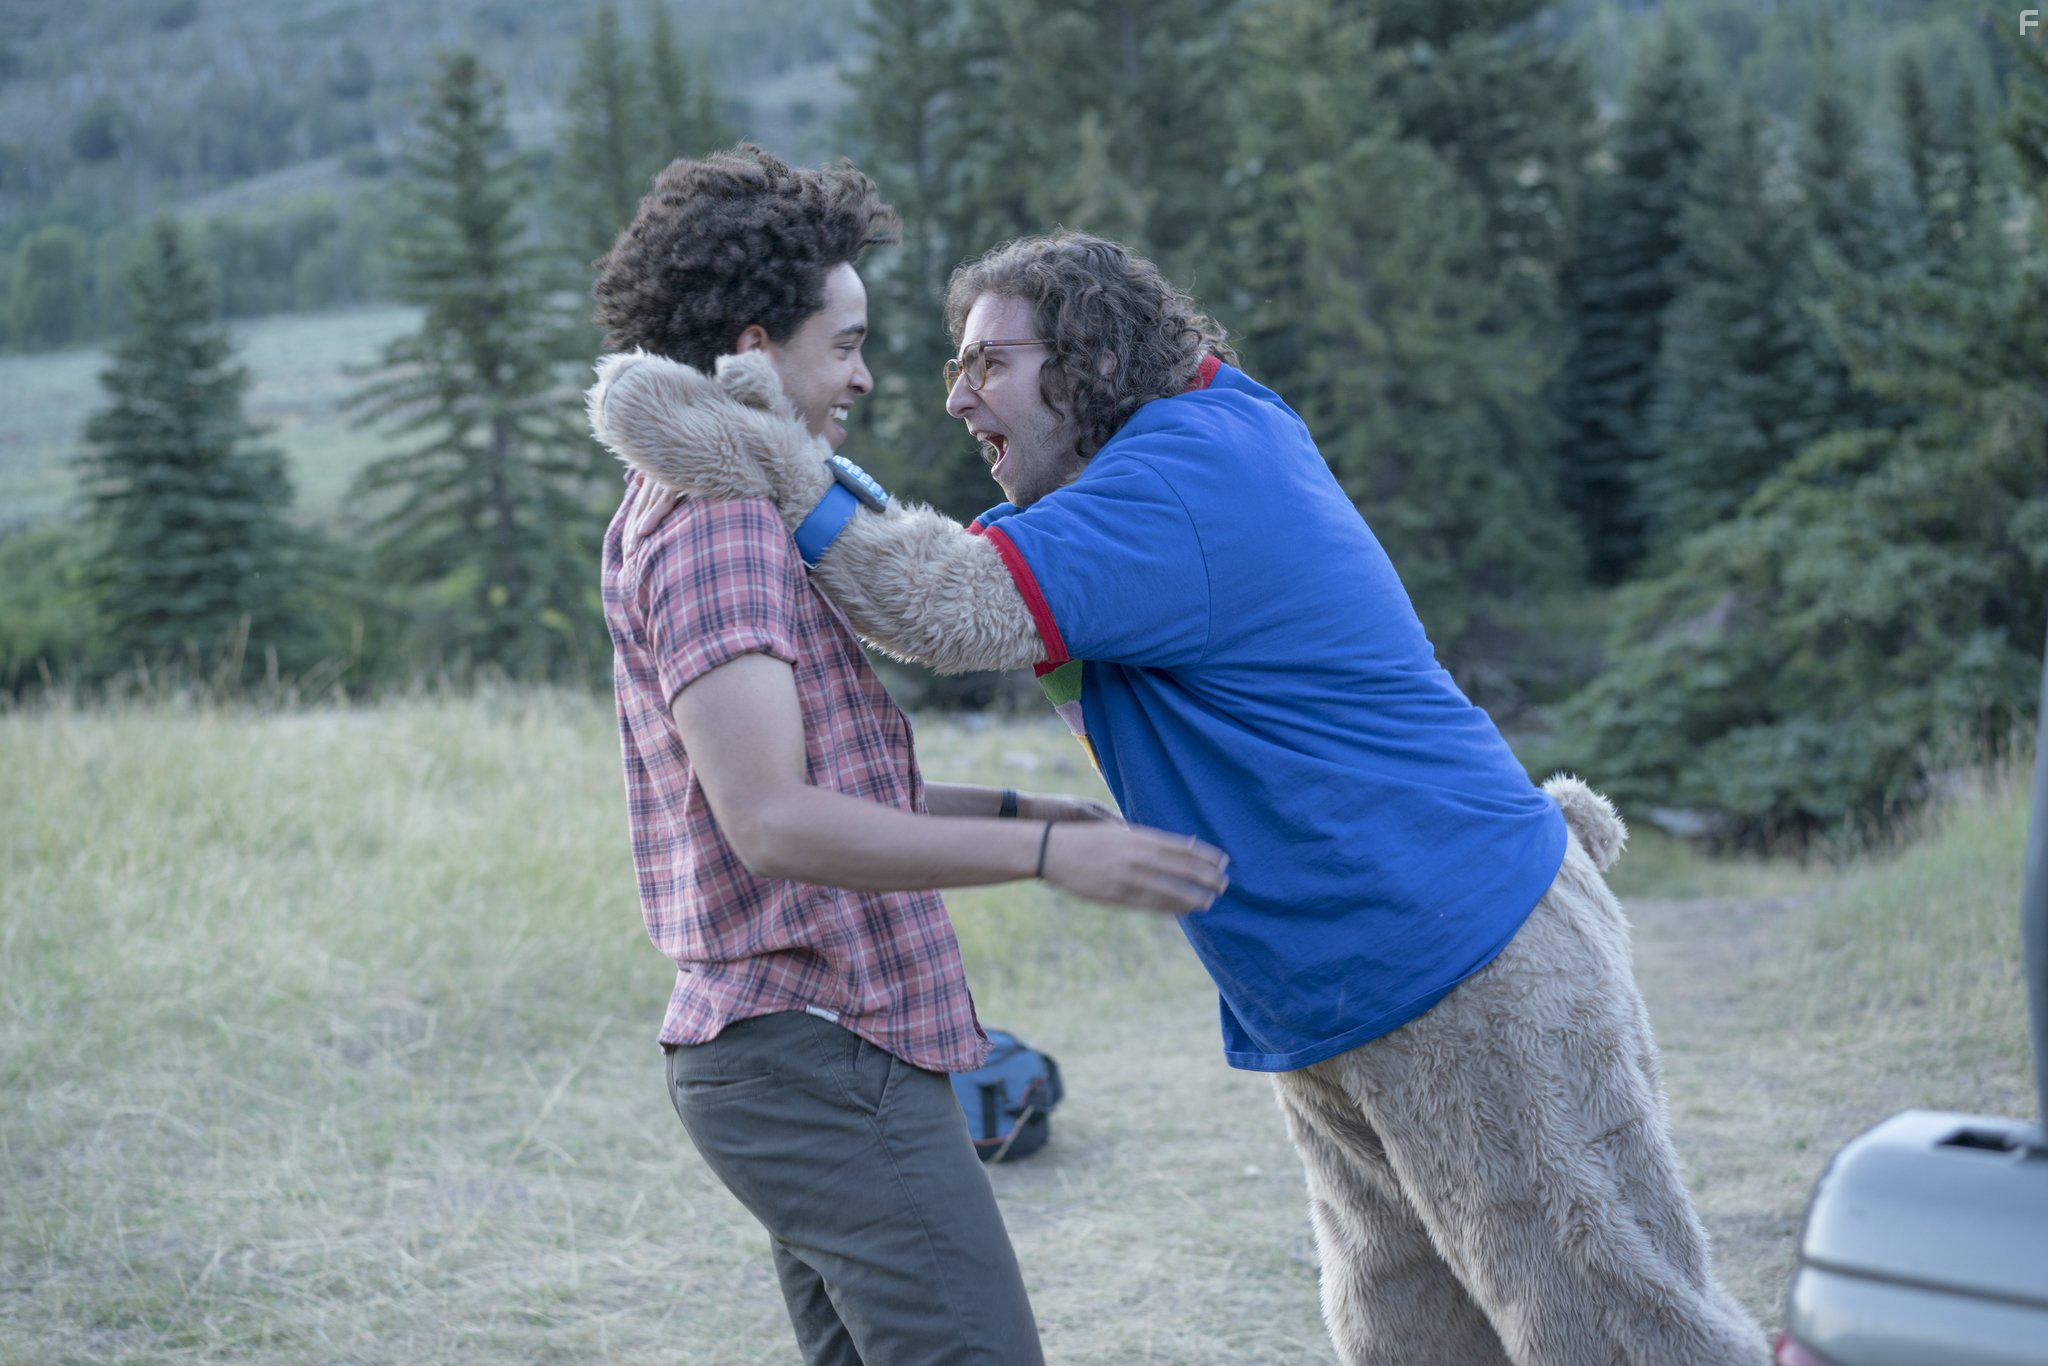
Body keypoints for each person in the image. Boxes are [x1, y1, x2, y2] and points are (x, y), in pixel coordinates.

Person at [589, 229, 1769, 1365]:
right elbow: (930, 566)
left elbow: (934, 600)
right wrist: (1034, 824)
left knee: (1609, 1326)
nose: (956, 398)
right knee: (1409, 1336)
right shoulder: (1154, 475)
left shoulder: (1186, 472)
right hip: (1345, 994)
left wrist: (756, 450)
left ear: (1093, 362)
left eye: (988, 363)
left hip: (1462, 958)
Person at [591, 162, 1228, 1366]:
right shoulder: (717, 520)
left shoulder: (720, 504)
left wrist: (1027, 808)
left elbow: (826, 790)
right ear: (751, 349)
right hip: (815, 1053)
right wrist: (1041, 857)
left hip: (816, 1052)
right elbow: (772, 821)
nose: (867, 377)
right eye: (845, 344)